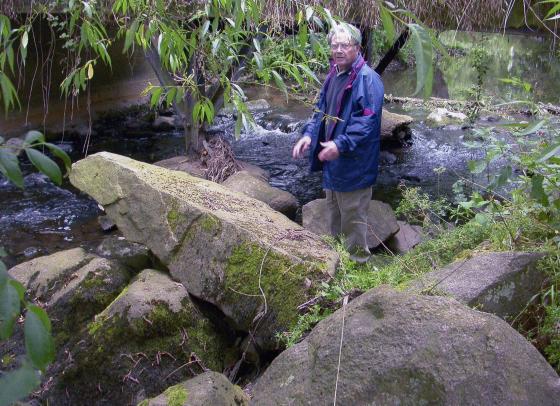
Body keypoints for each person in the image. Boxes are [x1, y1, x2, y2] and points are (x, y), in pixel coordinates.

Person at [292, 23, 384, 263]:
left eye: (345, 45)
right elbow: (320, 111)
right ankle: (339, 265)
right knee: (334, 218)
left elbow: (366, 122)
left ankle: (358, 270)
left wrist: (340, 144)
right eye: (335, 45)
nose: (339, 50)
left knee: (353, 223)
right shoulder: (335, 74)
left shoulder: (368, 79)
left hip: (354, 167)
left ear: (357, 47)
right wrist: (309, 135)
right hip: (333, 164)